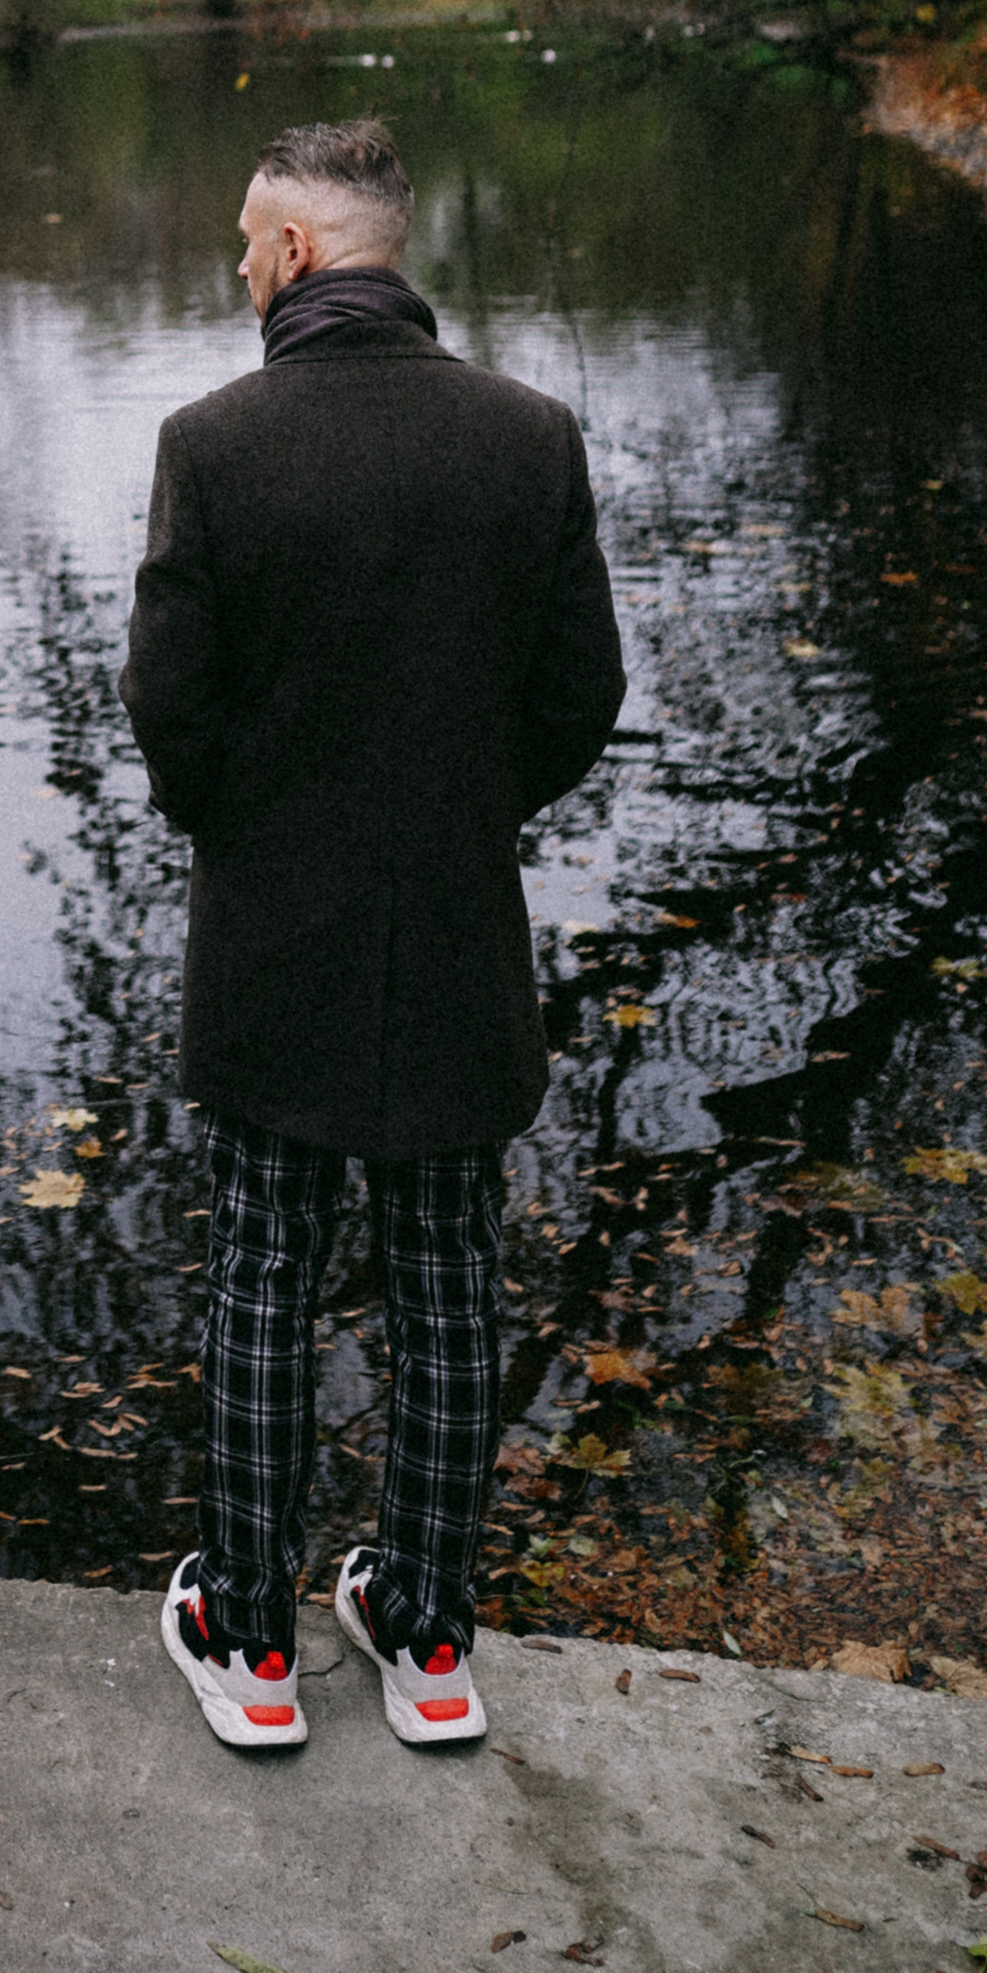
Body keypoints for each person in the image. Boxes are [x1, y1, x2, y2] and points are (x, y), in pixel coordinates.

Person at [120, 115, 625, 1753]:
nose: (239, 267)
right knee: (451, 1289)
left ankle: (255, 1650)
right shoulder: (531, 436)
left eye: (245, 242)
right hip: (461, 927)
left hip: (276, 943)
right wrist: (464, 813)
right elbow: (580, 699)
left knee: (264, 1281)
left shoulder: (215, 444)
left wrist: (256, 836)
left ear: (298, 254)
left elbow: (169, 710)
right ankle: (427, 1638)